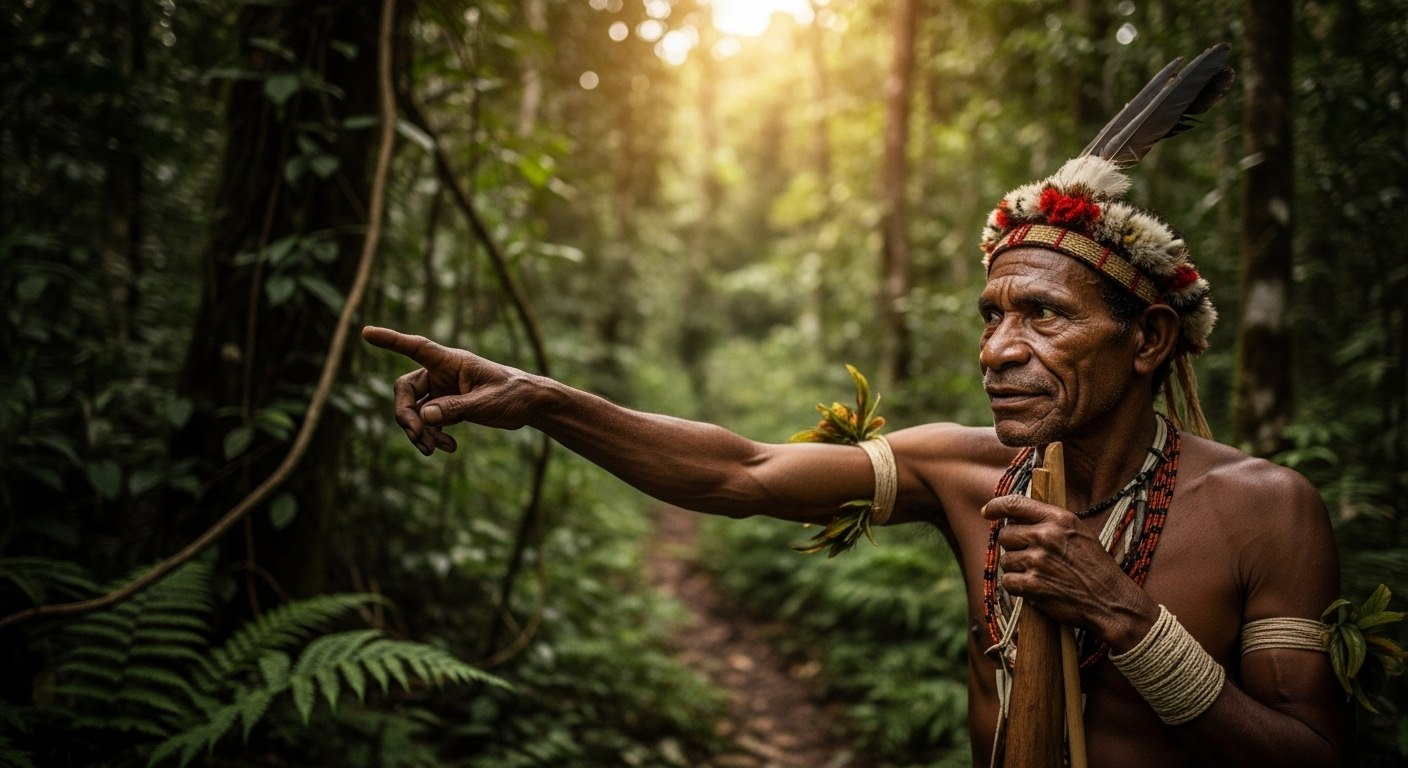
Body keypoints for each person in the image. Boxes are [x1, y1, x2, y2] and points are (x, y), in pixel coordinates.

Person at [362, 46, 1350, 767]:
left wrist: (1122, 612)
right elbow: (737, 472)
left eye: (1044, 317)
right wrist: (537, 400)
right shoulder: (961, 473)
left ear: (1146, 340)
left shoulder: (1265, 512)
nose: (998, 349)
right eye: (991, 316)